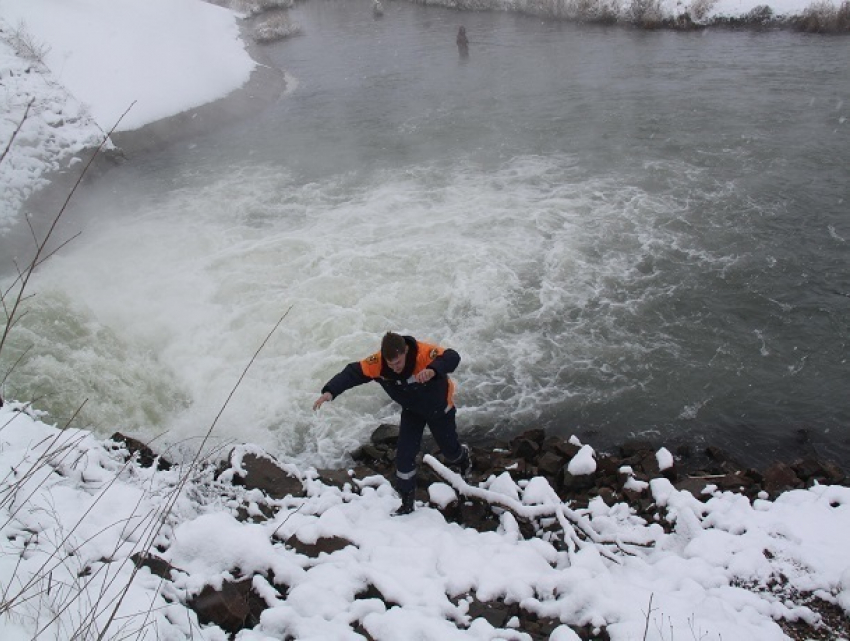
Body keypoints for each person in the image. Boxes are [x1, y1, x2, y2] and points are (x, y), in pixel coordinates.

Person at [314, 332, 470, 515]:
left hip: (439, 408)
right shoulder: (378, 364)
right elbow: (353, 372)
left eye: (398, 363)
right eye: (391, 364)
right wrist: (330, 391)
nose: (395, 369)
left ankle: (463, 458)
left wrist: (434, 369)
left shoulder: (423, 353)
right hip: (412, 411)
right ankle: (407, 503)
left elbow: (452, 357)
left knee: (450, 451)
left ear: (405, 351)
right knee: (404, 456)